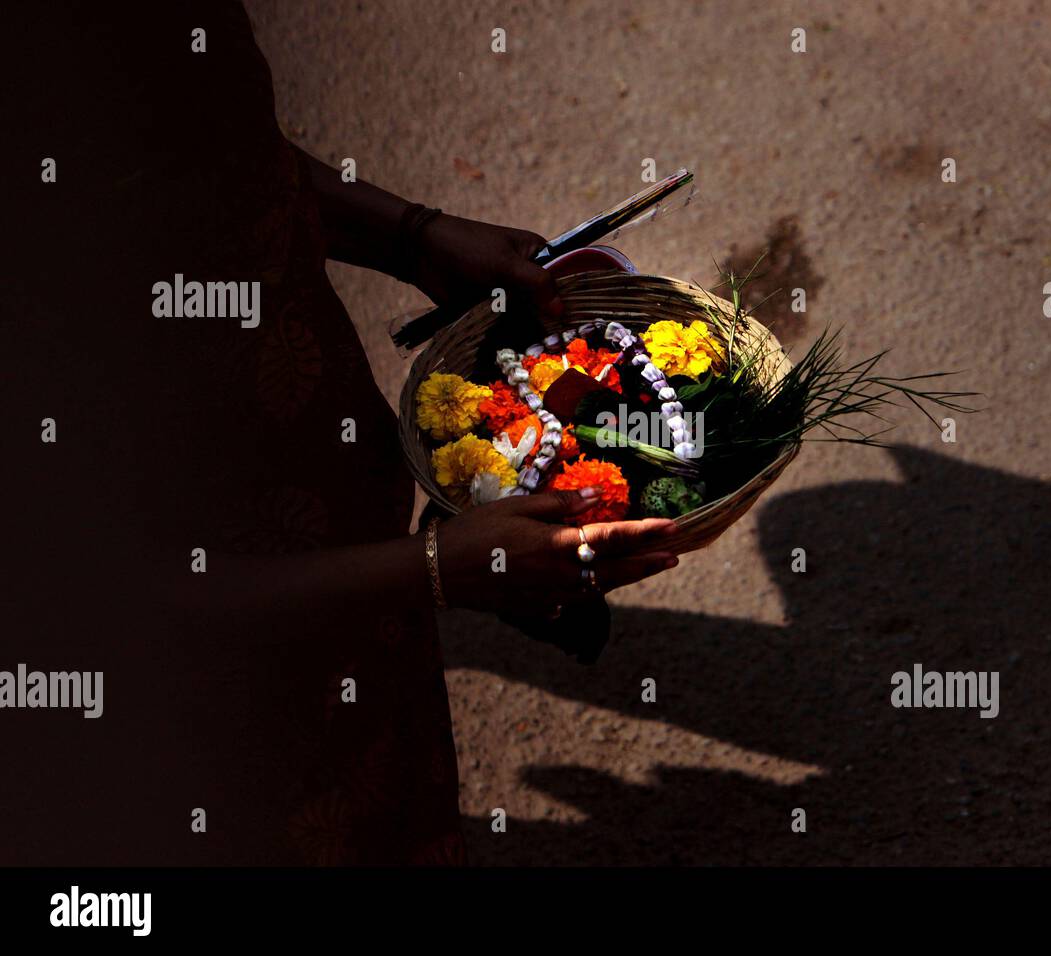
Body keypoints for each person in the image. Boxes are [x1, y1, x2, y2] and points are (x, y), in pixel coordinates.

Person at [1, 1, 679, 865]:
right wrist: (436, 568)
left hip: (329, 528)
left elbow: (212, 146)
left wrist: (411, 235)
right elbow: (84, 605)